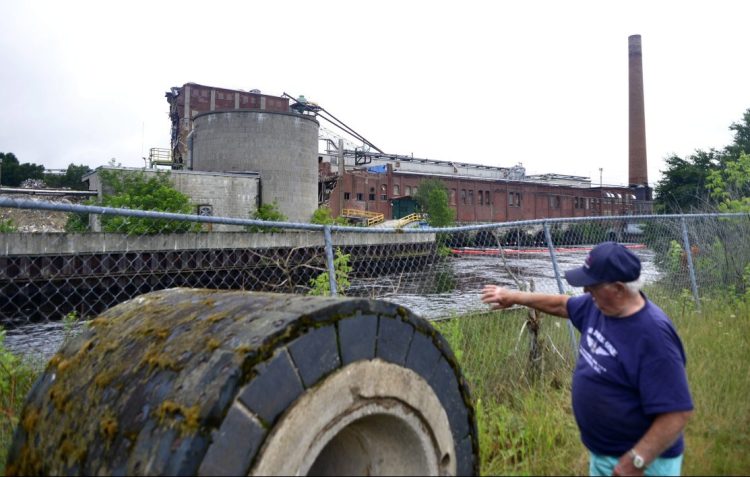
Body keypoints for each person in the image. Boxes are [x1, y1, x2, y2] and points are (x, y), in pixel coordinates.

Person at [481, 241, 693, 476]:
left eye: (592, 285)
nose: (585, 291)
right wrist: (513, 296)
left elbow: (676, 413)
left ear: (619, 289)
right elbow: (562, 304)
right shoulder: (598, 306)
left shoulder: (653, 336)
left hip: (645, 465)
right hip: (605, 456)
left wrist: (635, 461)